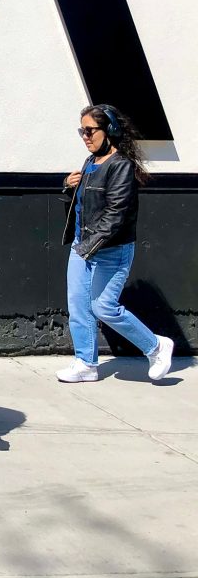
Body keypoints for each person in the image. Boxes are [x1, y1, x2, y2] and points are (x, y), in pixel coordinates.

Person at [56, 103, 173, 383]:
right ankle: (86, 364)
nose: (85, 136)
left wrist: (88, 247)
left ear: (110, 130)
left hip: (111, 250)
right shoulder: (90, 162)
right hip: (83, 245)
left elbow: (116, 214)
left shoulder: (120, 165)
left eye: (90, 130)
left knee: (104, 307)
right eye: (81, 131)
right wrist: (69, 186)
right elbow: (84, 205)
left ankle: (156, 347)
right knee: (79, 307)